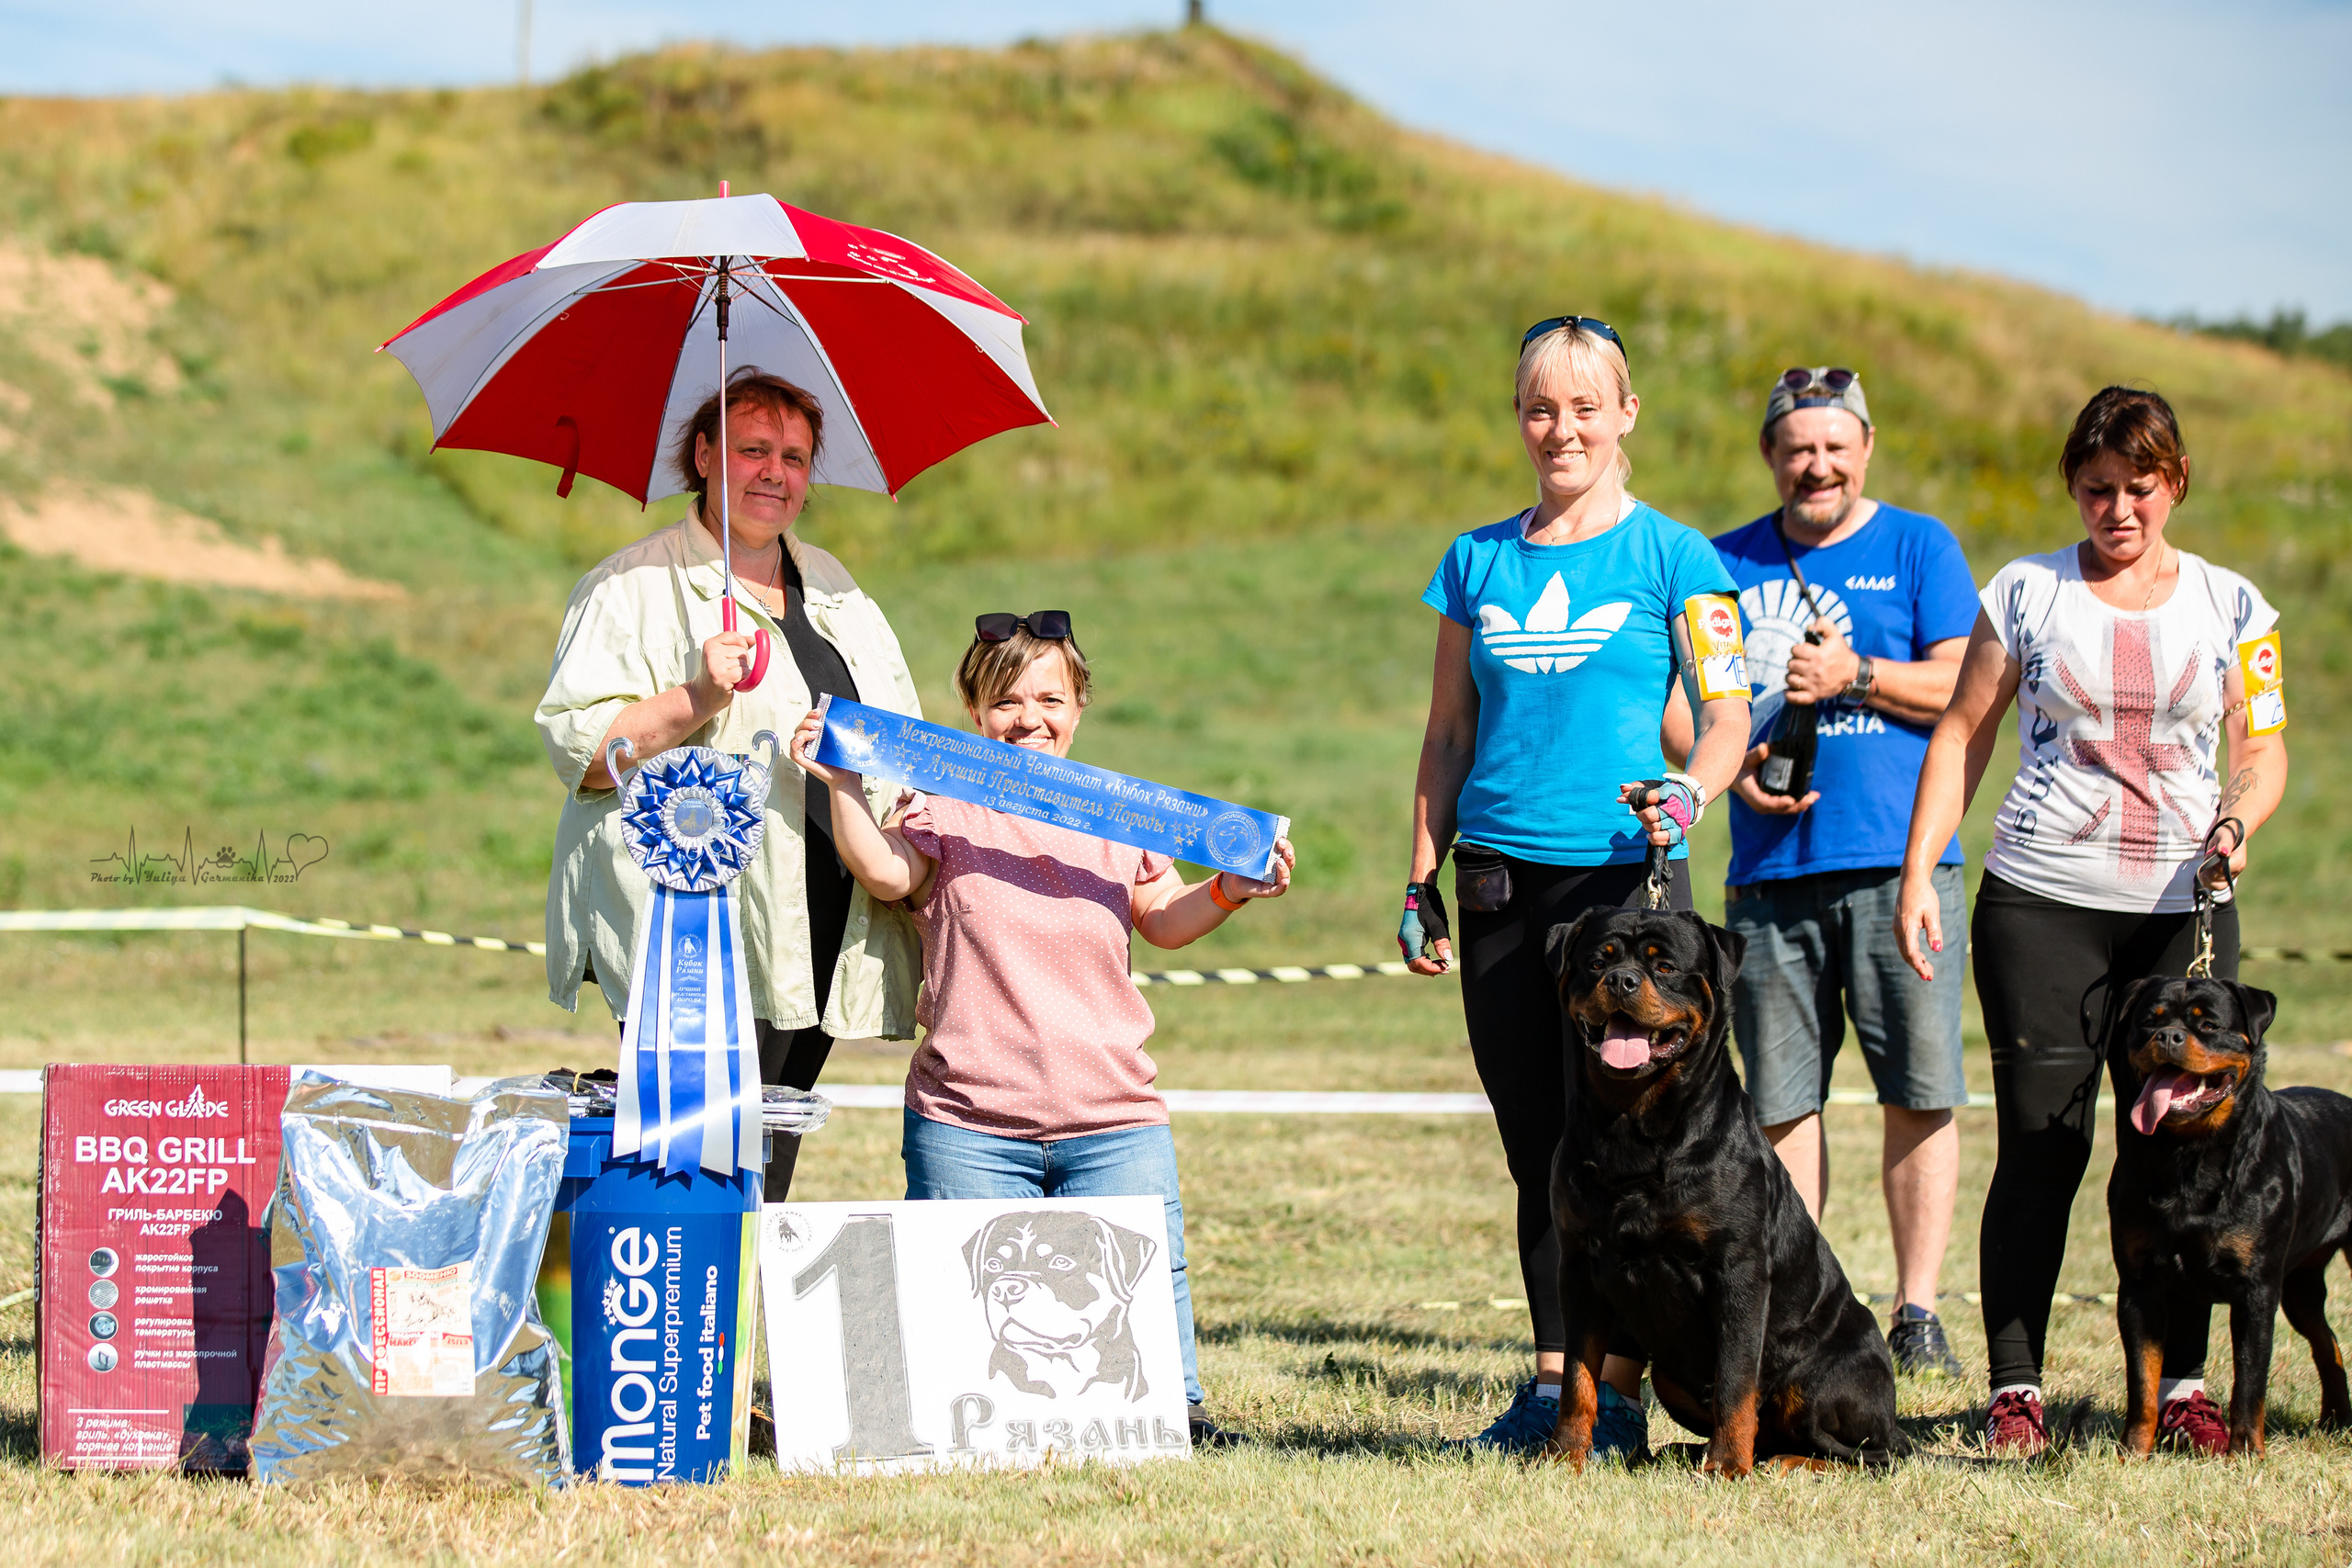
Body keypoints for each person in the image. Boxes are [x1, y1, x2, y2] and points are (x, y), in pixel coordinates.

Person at [789, 611, 1296, 1447]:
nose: (1030, 719)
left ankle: (1183, 1414)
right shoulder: (939, 804)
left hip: (1113, 1119)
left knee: (1153, 1328)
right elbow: (884, 873)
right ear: (974, 710)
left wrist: (1233, 889)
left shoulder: (1119, 809)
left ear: (1080, 703)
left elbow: (1162, 919)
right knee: (965, 1344)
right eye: (1005, 700)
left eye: (1050, 698)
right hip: (968, 1124)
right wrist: (839, 780)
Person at [1895, 386, 2290, 1456]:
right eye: (2096, 488)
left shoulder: (2232, 605)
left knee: (2188, 1155)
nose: (2118, 509)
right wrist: (1920, 867)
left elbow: (2262, 746)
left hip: (2181, 906)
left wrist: (2237, 819)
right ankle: (2014, 1391)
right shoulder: (2024, 591)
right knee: (2045, 1146)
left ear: (2175, 484)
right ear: (2073, 486)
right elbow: (1962, 731)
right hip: (2042, 900)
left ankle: (2185, 1388)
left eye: (2139, 487)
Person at [1401, 317, 1752, 1458]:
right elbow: (1449, 733)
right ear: (1519, 419)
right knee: (1538, 1145)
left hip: (1627, 888)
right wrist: (1421, 878)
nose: (1562, 428)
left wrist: (1691, 794)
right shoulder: (1475, 560)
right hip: (1500, 876)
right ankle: (1558, 1391)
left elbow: (1727, 717)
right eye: (1540, 408)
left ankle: (1627, 1393)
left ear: (1625, 415)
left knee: (1639, 1145)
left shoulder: (1678, 559)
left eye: (1584, 406)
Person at [536, 369, 925, 1200]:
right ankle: (682, 1309)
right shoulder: (626, 586)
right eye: (751, 449)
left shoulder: (838, 587)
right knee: (691, 1165)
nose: (773, 472)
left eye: (793, 455)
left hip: (823, 915)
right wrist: (695, 698)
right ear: (704, 455)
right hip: (690, 935)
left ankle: (737, 1313)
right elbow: (584, 756)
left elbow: (901, 736)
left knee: (771, 1150)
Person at [1698, 367, 1979, 1380]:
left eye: (1832, 446)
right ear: (1769, 456)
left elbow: (1965, 685)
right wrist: (1737, 778)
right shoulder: (1720, 561)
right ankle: (1792, 1303)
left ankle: (1916, 1311)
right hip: (1769, 874)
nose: (1814, 464)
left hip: (1902, 866)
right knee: (1778, 1101)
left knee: (1919, 1086)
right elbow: (1682, 707)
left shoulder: (1920, 547)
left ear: (1864, 447)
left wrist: (1853, 675)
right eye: (1795, 447)